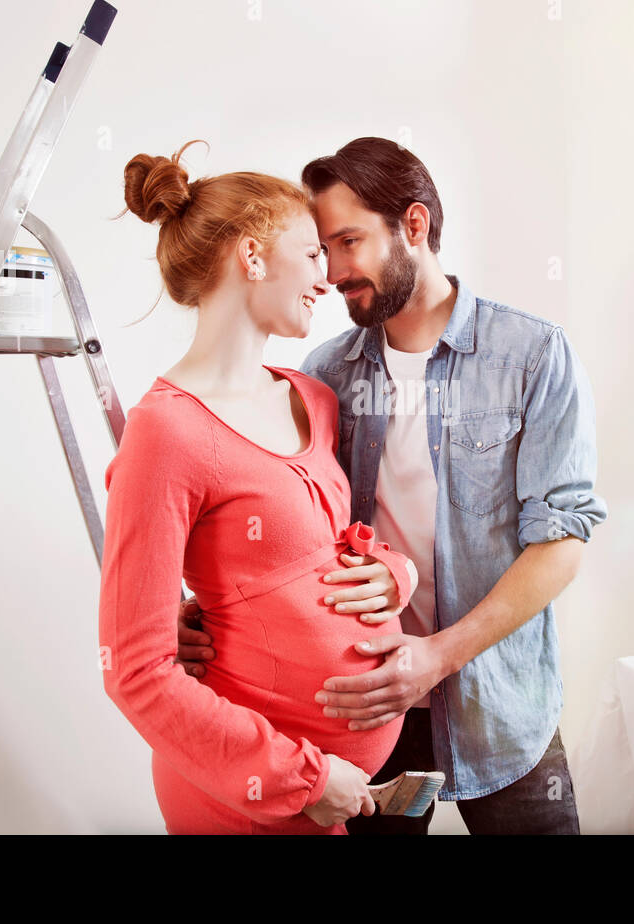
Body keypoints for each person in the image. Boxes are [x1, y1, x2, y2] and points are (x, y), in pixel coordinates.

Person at [179, 137, 607, 834]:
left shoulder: (532, 357)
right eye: (323, 249)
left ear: (414, 225)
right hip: (359, 706)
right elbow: (286, 529)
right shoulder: (326, 375)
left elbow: (561, 543)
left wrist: (435, 658)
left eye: (350, 241)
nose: (335, 271)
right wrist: (199, 614)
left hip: (499, 708)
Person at [98, 140, 419, 834]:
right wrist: (301, 779)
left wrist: (394, 572)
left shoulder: (312, 396)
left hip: (335, 796)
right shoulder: (165, 433)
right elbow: (136, 671)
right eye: (311, 255)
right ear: (251, 257)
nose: (327, 277)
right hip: (244, 801)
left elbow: (323, 546)